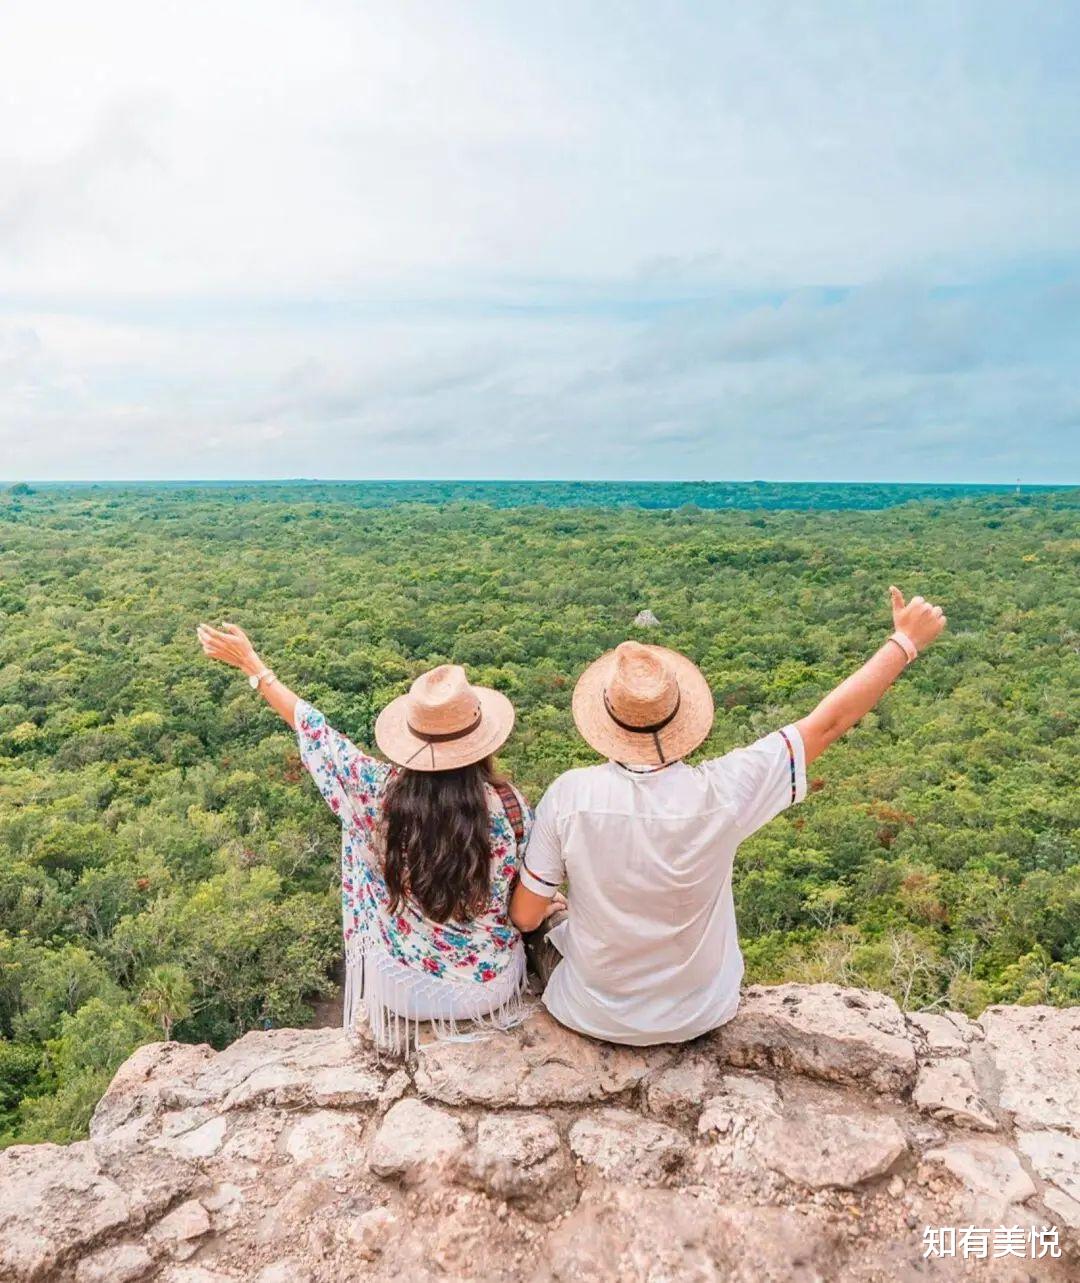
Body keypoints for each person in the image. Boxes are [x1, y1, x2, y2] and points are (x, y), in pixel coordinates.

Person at [510, 586, 947, 1047]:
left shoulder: (569, 795)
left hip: (589, 1011)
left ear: (606, 720)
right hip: (702, 1010)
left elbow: (522, 916)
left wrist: (556, 908)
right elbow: (829, 722)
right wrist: (904, 643)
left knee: (546, 925)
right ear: (682, 718)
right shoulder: (724, 792)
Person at [196, 622, 535, 1050]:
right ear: (481, 740)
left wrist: (255, 666)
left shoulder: (378, 791)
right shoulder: (511, 808)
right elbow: (526, 903)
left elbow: (315, 730)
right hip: (486, 989)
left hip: (404, 988)